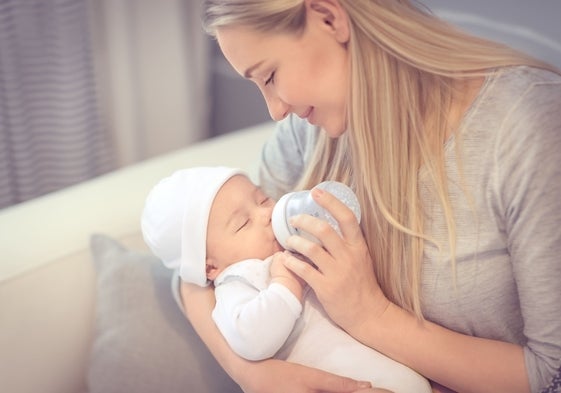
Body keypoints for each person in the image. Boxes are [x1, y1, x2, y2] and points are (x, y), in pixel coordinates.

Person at [178, 1, 561, 392]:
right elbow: (198, 263)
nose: (275, 110)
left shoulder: (529, 126)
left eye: (271, 76)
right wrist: (253, 373)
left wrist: (370, 315)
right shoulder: (309, 131)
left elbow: (551, 376)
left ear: (329, 17)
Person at [141, 165, 432, 393]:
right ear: (211, 268)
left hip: (394, 371)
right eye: (243, 223)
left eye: (262, 198)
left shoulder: (290, 245)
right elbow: (250, 339)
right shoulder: (237, 282)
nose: (266, 214)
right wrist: (285, 284)